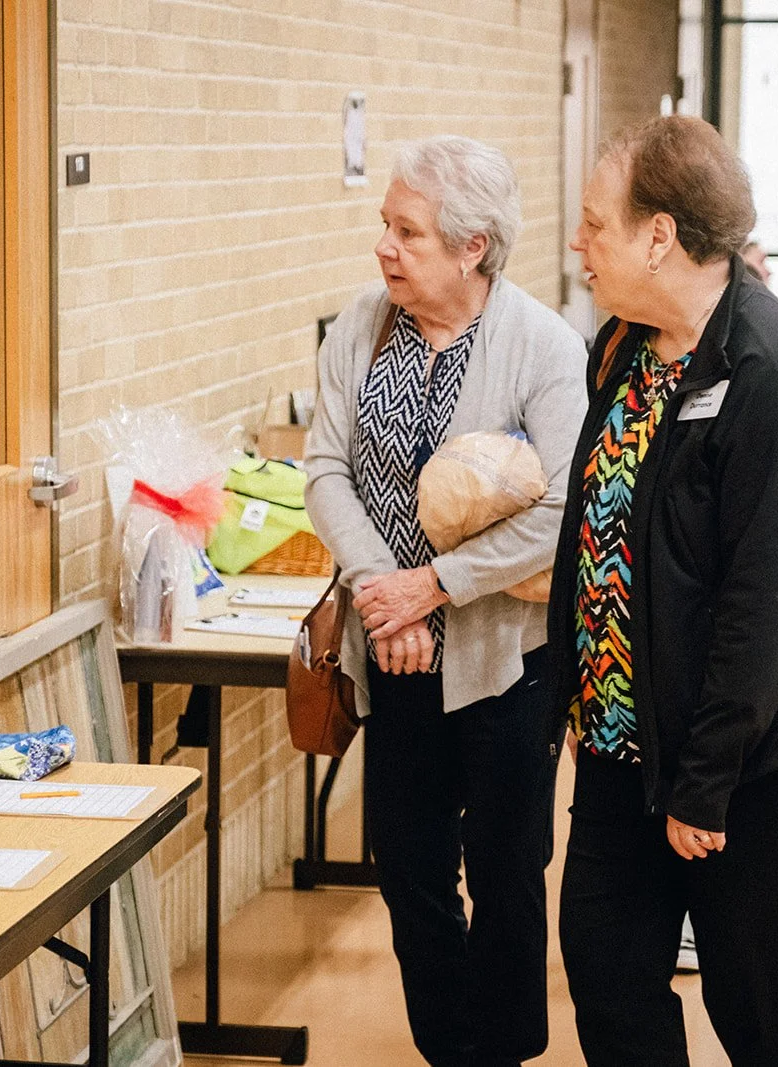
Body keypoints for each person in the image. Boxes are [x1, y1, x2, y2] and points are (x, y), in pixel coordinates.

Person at [551, 114, 778, 1066]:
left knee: (752, 982)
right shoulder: (622, 345)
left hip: (756, 752)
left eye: (594, 225)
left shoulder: (772, 367)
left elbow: (764, 601)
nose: (579, 244)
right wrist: (583, 690)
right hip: (628, 736)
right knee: (608, 969)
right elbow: (605, 527)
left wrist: (705, 783)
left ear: (660, 235)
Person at [304, 134, 588, 1067]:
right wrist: (386, 595)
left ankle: (499, 1049)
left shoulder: (542, 345)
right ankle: (452, 1049)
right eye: (385, 225)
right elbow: (325, 471)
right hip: (389, 652)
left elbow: (565, 510)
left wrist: (436, 588)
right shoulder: (361, 324)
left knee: (508, 873)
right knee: (413, 874)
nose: (383, 247)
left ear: (472, 248)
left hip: (502, 658)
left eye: (407, 232)